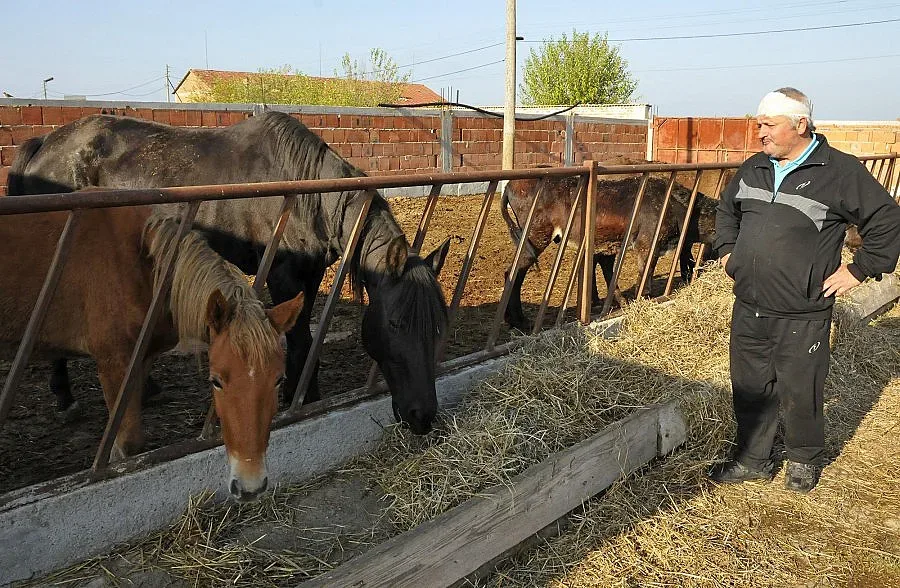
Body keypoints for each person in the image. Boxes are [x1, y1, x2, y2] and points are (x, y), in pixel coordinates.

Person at [710, 87, 900, 492]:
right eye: (758, 123)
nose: (759, 132)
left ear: (800, 124)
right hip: (749, 303)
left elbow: (887, 219)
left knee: (801, 387)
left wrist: (860, 269)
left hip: (802, 308)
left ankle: (803, 459)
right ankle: (753, 459)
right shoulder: (753, 168)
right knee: (750, 384)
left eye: (768, 124)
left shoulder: (839, 171)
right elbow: (726, 211)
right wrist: (728, 253)